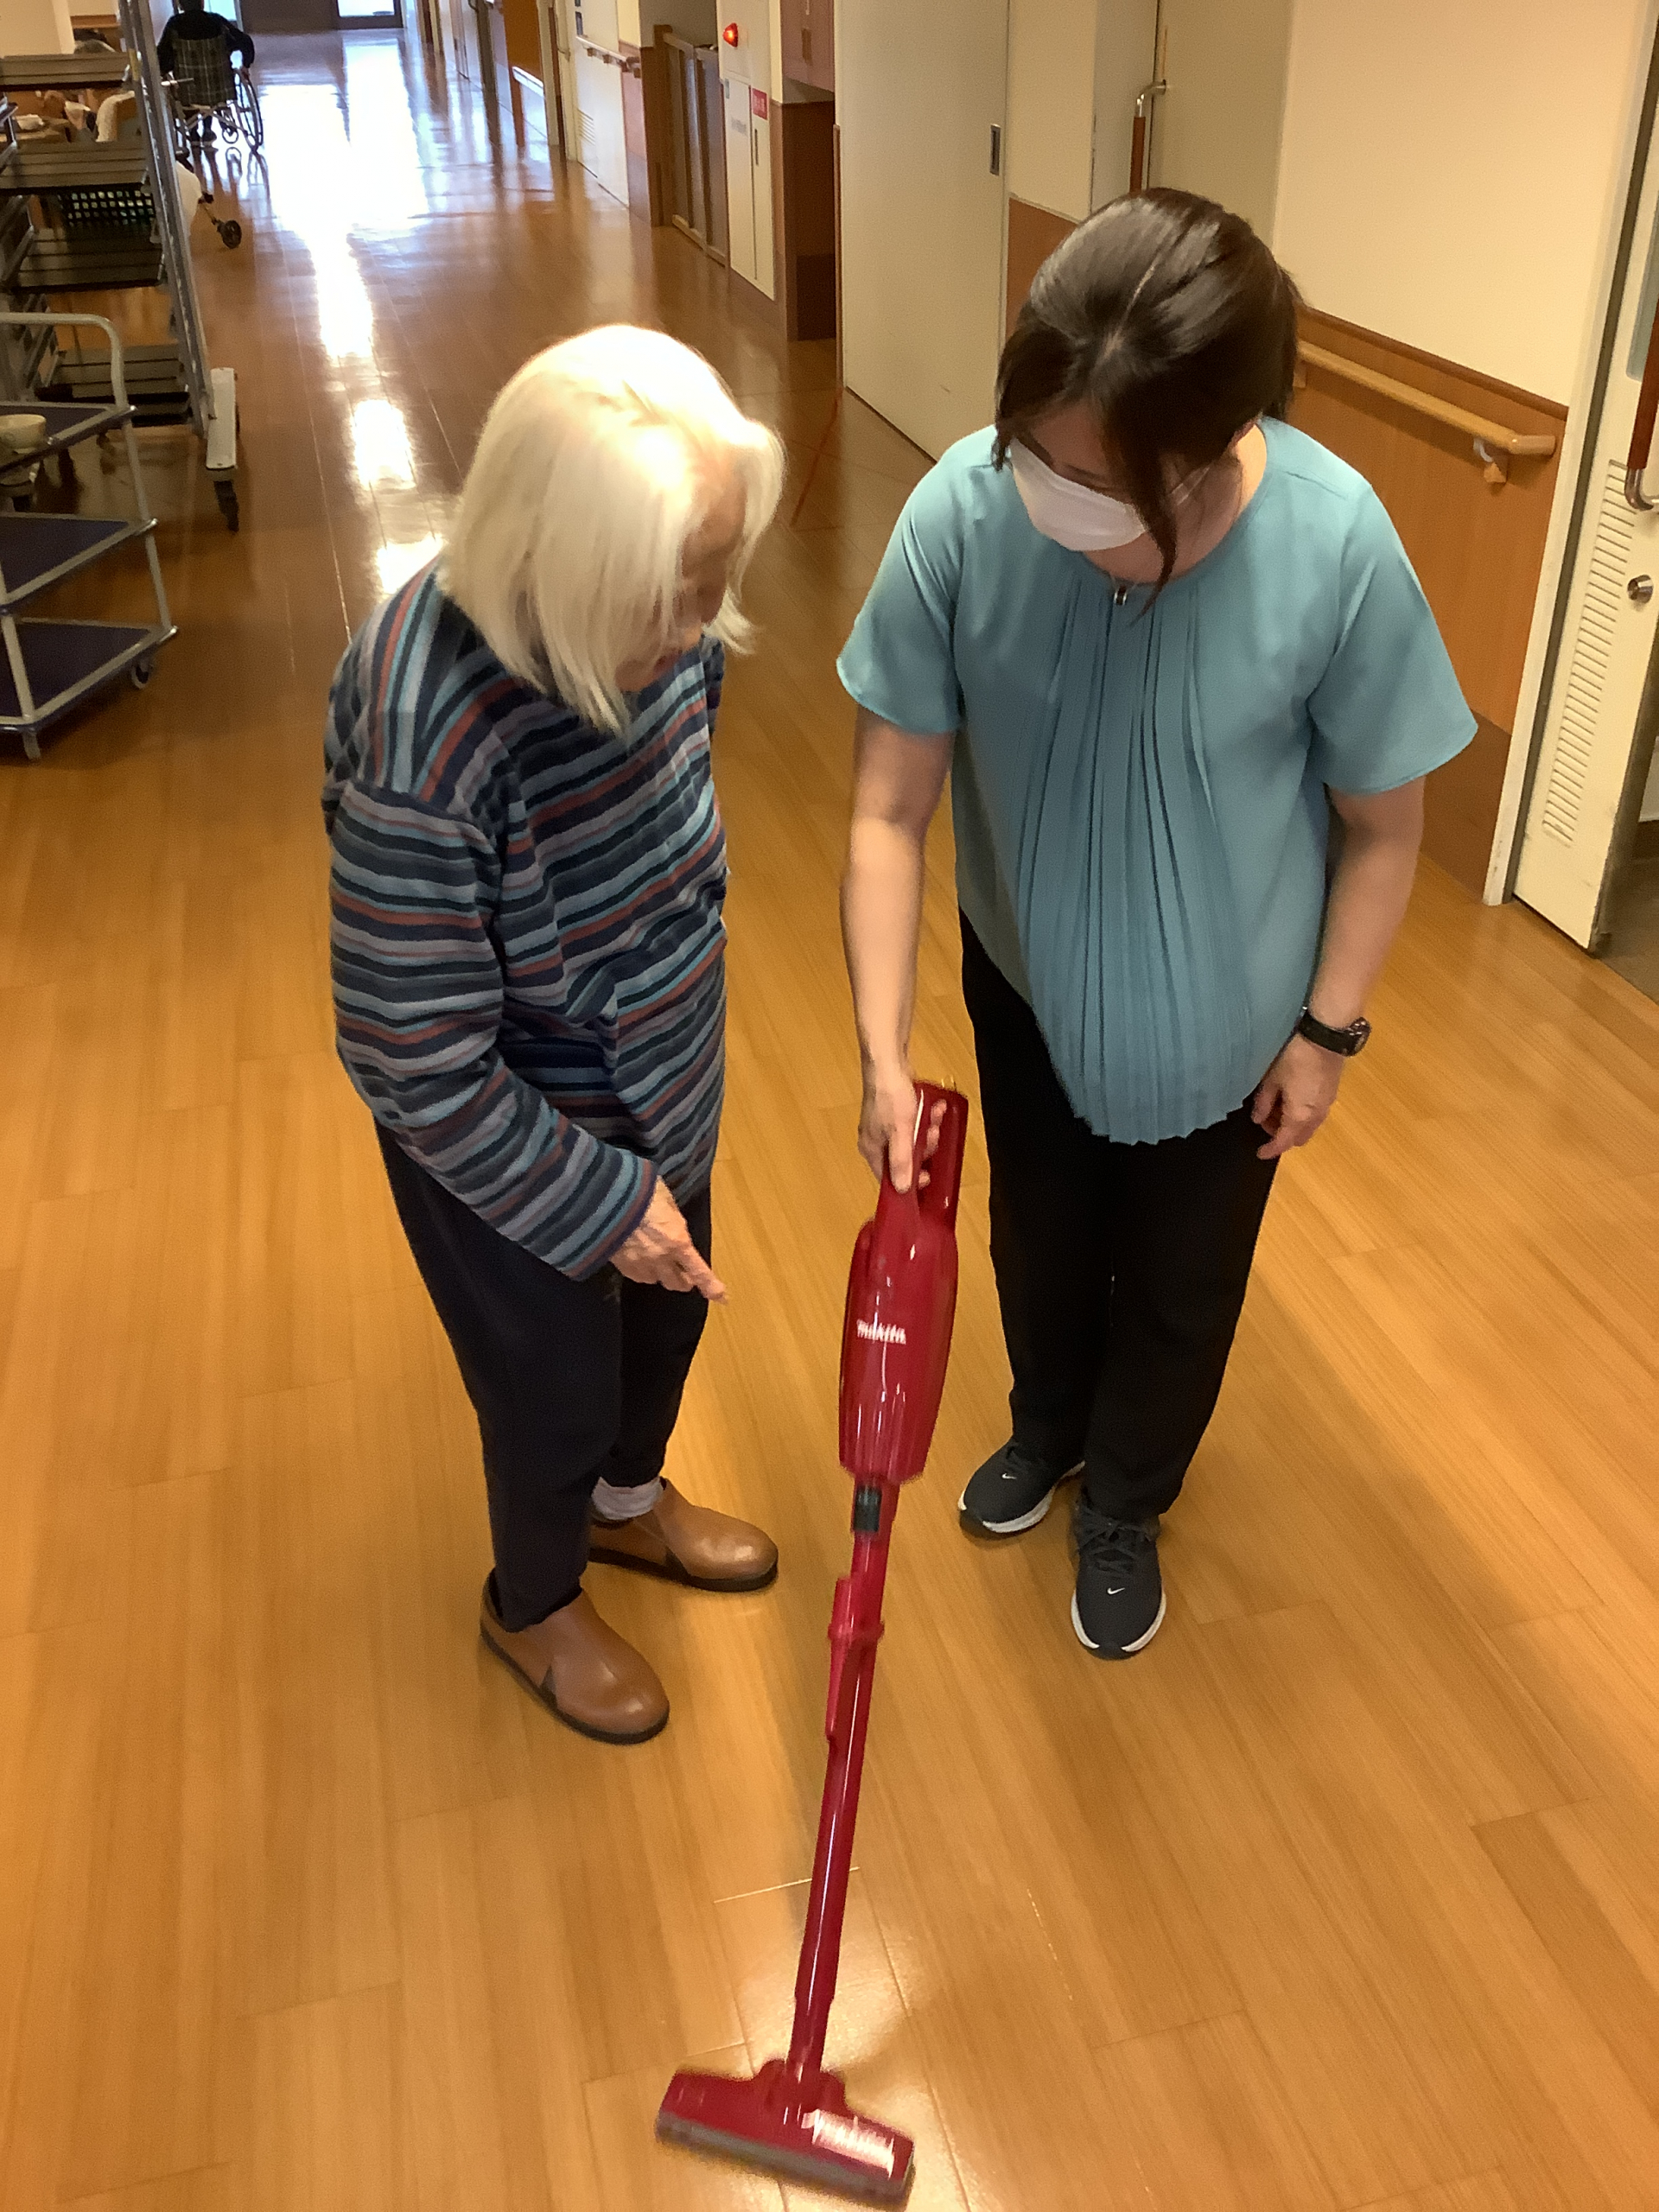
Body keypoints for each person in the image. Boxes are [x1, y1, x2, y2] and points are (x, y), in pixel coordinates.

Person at [837, 189, 1474, 1662]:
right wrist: (880, 1052)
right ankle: (1047, 1428)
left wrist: (1325, 1034)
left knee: (1186, 1287)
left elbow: (1385, 829)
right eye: (1037, 459)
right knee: (1040, 1234)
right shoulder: (964, 515)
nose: (1050, 503)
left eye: (1099, 483)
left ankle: (1125, 1498)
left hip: (1238, 1021)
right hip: (1026, 980)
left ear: (1213, 450)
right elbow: (887, 808)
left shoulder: (1335, 547)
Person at [324, 327, 785, 1745]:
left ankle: (626, 1505)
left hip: (660, 1083)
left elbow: (667, 825)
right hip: (509, 1145)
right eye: (671, 596)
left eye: (715, 581)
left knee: (661, 1336)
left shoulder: (668, 634)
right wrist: (597, 1199)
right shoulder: (424, 726)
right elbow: (414, 1059)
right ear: (555, 564)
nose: (699, 629)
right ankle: (532, 1600)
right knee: (551, 1388)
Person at [157, 3, 256, 76]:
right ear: (202, 2)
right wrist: (245, 65)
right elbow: (245, 41)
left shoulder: (174, 25)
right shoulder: (217, 21)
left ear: (180, 5)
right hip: (221, 88)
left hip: (187, 90)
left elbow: (162, 55)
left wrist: (164, 70)